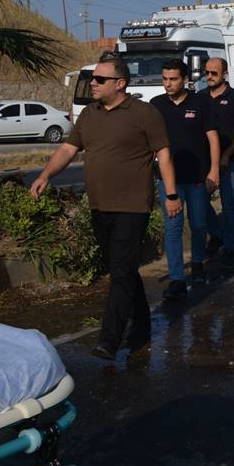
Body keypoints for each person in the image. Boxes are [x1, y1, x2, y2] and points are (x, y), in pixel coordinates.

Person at [30, 57, 179, 361]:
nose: (92, 84)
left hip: (133, 206)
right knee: (122, 269)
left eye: (99, 79)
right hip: (99, 204)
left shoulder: (144, 113)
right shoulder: (88, 115)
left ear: (120, 83)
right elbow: (68, 149)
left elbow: (163, 155)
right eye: (92, 79)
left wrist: (172, 194)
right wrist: (46, 175)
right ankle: (142, 325)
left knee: (121, 272)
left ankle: (109, 340)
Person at [151, 60, 220, 299]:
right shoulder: (156, 105)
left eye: (173, 79)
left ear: (185, 80)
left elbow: (212, 138)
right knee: (173, 228)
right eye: (164, 79)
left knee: (199, 224)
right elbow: (149, 142)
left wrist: (214, 170)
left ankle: (198, 263)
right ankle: (177, 278)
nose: (167, 84)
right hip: (168, 180)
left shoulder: (201, 102)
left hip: (197, 178)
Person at [202, 57, 234, 275]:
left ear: (224, 74)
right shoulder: (199, 98)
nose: (209, 77)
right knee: (199, 201)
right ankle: (216, 234)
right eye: (207, 72)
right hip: (204, 162)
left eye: (214, 73)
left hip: (229, 161)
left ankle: (229, 250)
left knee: (229, 207)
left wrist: (226, 154)